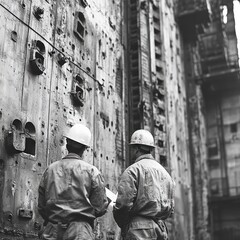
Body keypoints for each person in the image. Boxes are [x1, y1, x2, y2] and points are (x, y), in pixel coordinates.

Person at [38, 123, 109, 240]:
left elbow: (41, 206)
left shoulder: (50, 170)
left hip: (52, 230)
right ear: (84, 149)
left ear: (67, 145)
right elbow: (100, 207)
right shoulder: (92, 172)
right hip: (80, 232)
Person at [113, 129, 175, 240]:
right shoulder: (166, 174)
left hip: (139, 230)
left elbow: (123, 205)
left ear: (136, 149)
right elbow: (171, 209)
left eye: (132, 148)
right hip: (160, 229)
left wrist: (125, 225)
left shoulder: (133, 170)